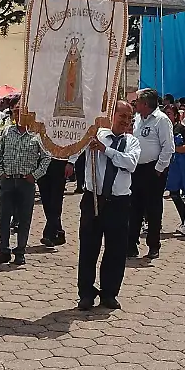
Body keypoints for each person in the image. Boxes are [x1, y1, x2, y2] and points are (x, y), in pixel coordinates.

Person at [73, 100, 141, 311]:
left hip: (119, 202)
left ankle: (109, 293)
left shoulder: (132, 142)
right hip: (93, 198)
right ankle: (85, 293)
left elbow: (129, 163)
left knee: (116, 250)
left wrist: (106, 150)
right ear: (111, 115)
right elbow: (74, 150)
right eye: (122, 117)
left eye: (129, 118)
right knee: (88, 248)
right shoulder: (95, 134)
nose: (126, 122)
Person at [0, 103, 50, 265]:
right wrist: (0, 172)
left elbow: (46, 158)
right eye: (15, 113)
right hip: (8, 181)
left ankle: (20, 251)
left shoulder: (37, 135)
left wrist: (35, 175)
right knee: (4, 218)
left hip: (26, 182)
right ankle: (3, 250)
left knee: (24, 218)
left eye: (21, 113)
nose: (18, 116)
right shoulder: (7, 132)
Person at [130, 89, 173, 260]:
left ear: (145, 104)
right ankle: (131, 245)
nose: (135, 104)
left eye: (137, 101)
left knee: (153, 209)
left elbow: (168, 147)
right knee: (134, 208)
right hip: (136, 169)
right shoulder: (138, 119)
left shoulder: (161, 120)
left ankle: (153, 245)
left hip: (153, 170)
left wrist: (158, 168)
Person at [165, 107, 185, 227]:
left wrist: (173, 149)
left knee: (177, 194)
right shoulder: (163, 128)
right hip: (165, 164)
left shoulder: (181, 129)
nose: (167, 116)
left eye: (169, 114)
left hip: (179, 164)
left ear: (176, 115)